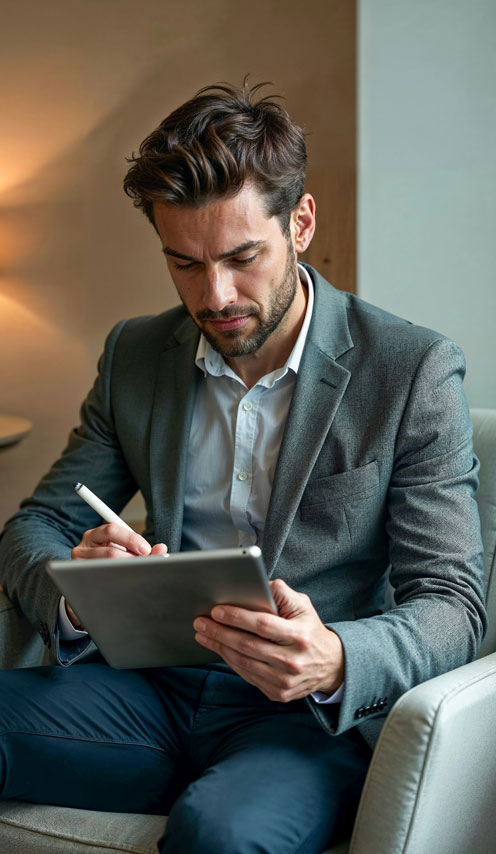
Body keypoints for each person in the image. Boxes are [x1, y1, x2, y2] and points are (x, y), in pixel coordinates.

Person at [0, 80, 486, 854]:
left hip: (301, 720)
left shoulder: (411, 369)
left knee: (218, 832)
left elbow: (454, 605)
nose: (215, 294)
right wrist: (78, 594)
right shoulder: (136, 354)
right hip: (141, 694)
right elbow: (37, 525)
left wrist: (334, 659)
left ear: (301, 222)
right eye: (184, 264)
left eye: (241, 257)